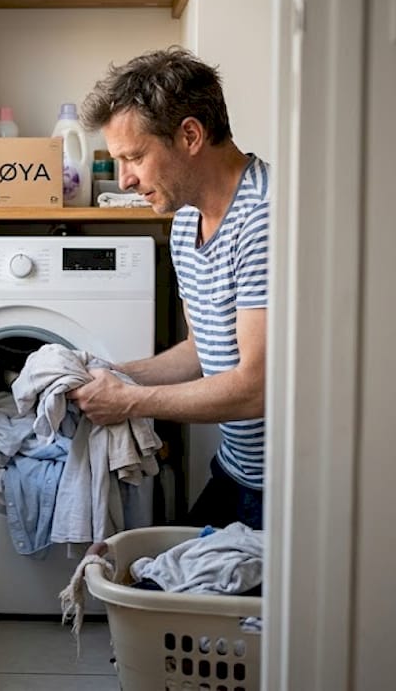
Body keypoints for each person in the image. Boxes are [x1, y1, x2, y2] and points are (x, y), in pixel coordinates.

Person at [66, 47, 270, 530]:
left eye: (134, 157)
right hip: (238, 472)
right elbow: (203, 351)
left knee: (174, 599)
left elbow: (257, 389)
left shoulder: (265, 219)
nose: (126, 179)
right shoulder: (184, 226)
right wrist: (112, 375)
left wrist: (131, 400)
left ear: (191, 135)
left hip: (293, 487)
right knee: (157, 588)